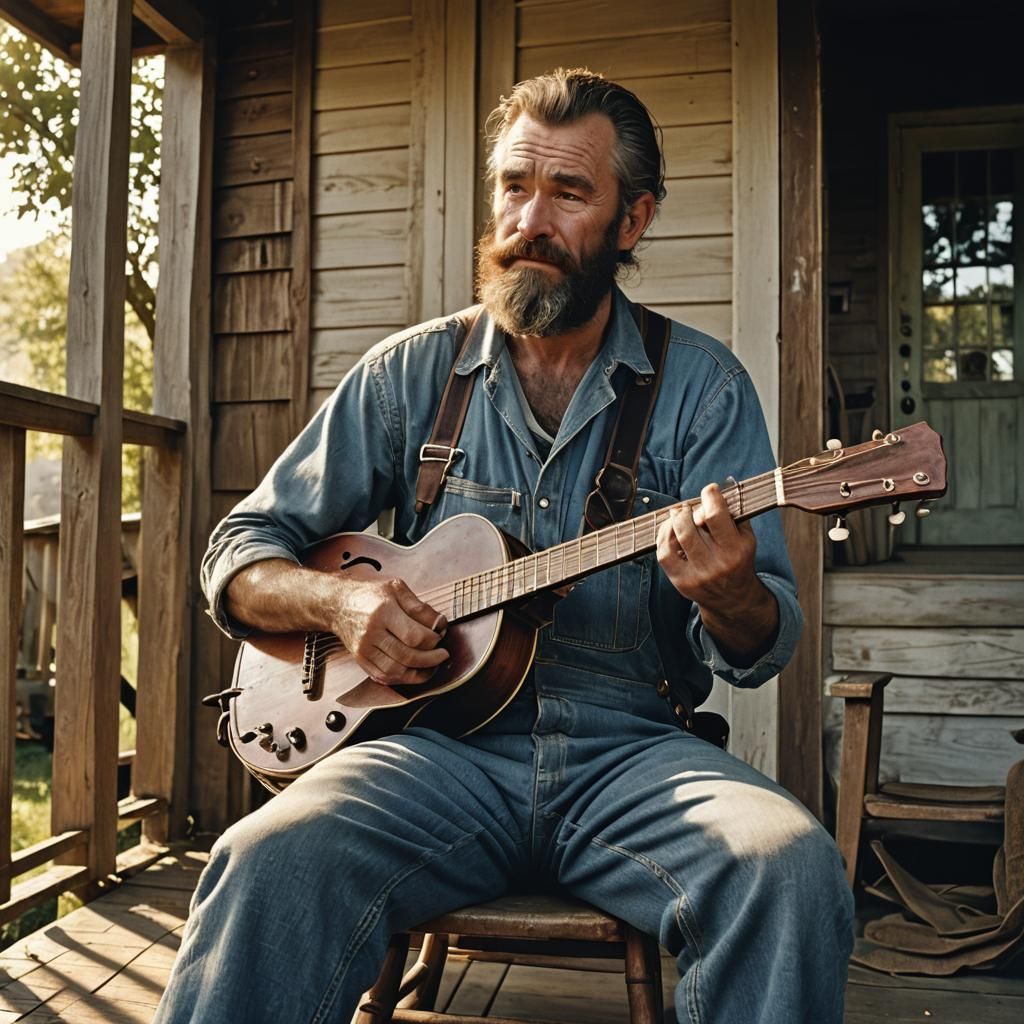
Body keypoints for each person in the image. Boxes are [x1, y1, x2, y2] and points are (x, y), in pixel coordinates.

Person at [154, 69, 853, 1024]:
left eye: (570, 193)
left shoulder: (705, 389)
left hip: (636, 758)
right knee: (263, 860)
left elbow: (759, 644)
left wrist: (729, 592)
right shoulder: (410, 373)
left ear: (632, 221)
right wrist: (344, 606)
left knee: (793, 871)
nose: (532, 218)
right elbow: (239, 550)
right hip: (431, 757)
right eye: (514, 186)